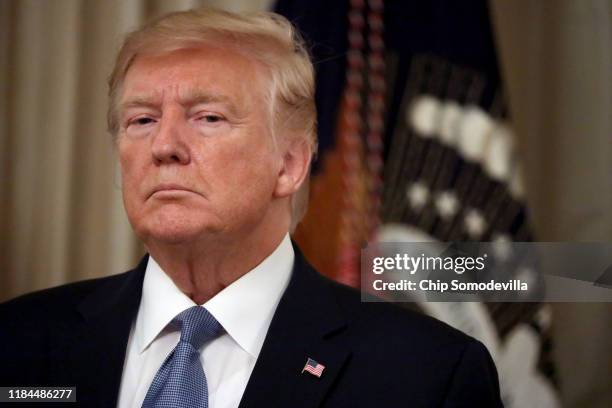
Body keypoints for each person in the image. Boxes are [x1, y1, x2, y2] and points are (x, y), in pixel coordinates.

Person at [0, 8, 503, 407]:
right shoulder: (17, 341)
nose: (164, 146)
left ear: (289, 165)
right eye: (142, 120)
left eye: (209, 117)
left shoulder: (425, 373)